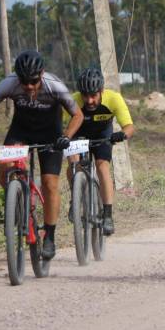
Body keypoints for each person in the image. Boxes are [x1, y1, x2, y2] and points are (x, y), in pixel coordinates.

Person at [0, 50, 84, 260]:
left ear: (42, 74)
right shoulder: (9, 83)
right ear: (17, 77)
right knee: (5, 167)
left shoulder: (53, 84)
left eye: (33, 81)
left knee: (49, 183)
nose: (29, 86)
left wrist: (66, 136)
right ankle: (17, 201)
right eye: (24, 81)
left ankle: (50, 236)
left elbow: (78, 114)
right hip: (21, 131)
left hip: (51, 134)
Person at [65, 67, 135, 236]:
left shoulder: (114, 99)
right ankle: (76, 199)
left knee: (102, 166)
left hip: (103, 136)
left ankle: (108, 215)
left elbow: (130, 126)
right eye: (85, 95)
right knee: (73, 163)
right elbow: (57, 124)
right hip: (79, 135)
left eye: (93, 95)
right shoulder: (73, 100)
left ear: (102, 91)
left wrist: (122, 134)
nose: (89, 100)